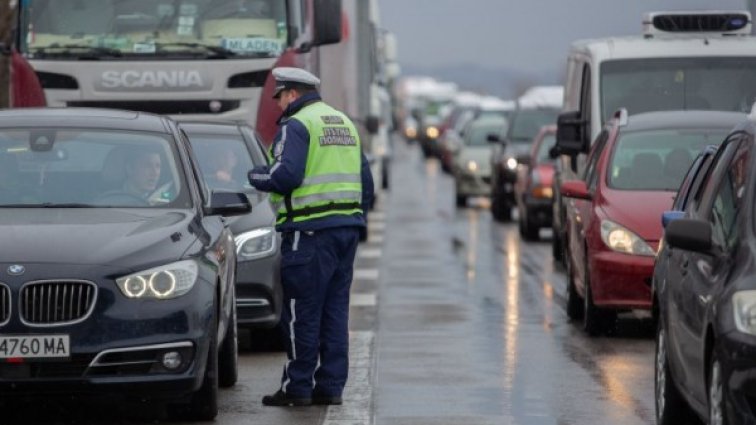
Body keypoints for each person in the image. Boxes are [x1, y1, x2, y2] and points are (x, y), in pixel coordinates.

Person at [248, 67, 374, 407]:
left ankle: (297, 387)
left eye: (279, 97)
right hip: (344, 231)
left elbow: (285, 175)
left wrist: (255, 175)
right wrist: (355, 218)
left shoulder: (297, 125)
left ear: (291, 94)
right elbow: (367, 182)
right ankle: (330, 386)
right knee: (334, 312)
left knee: (301, 311)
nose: (278, 106)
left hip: (309, 231)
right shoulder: (343, 123)